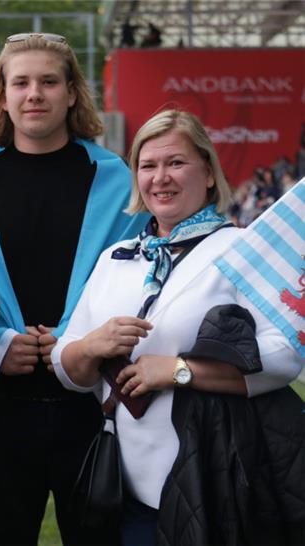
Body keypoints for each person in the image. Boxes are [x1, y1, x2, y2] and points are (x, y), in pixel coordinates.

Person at [0, 32, 147, 546]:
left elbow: (137, 282)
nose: (35, 94)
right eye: (20, 82)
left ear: (72, 92)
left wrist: (76, 342)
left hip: (92, 407)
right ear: (1, 95)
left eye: (49, 81)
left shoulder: (116, 180)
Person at [53, 109, 304, 545]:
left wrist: (178, 370)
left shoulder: (242, 248)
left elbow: (286, 355)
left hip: (216, 480)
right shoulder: (118, 257)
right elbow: (66, 367)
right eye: (148, 166)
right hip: (124, 485)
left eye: (176, 163)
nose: (160, 177)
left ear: (208, 172)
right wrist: (92, 346)